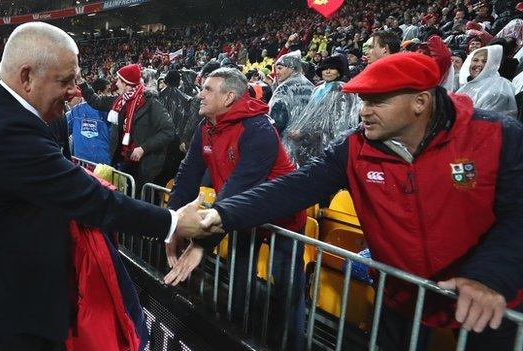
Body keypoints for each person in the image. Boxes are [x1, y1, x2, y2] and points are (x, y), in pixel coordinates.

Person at [178, 53, 523, 350]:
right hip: (400, 299)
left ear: (420, 102)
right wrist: (220, 215)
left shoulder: (496, 136)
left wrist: (489, 277)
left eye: (377, 101)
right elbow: (294, 187)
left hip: (488, 301)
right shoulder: (355, 147)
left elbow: (518, 215)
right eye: (363, 101)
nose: (364, 112)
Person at [0, 22, 202, 351]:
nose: (74, 91)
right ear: (27, 77)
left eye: (76, 80)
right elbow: (91, 199)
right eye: (65, 81)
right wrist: (174, 223)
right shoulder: (6, 129)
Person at [164, 67, 307, 350]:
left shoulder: (259, 130)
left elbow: (238, 187)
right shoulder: (205, 128)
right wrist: (171, 223)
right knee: (239, 285)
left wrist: (201, 244)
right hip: (243, 215)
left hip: (283, 222)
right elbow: (187, 176)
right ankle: (238, 341)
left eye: (207, 89)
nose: (200, 94)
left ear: (229, 97)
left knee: (287, 293)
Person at [78, 64, 174, 192]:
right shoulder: (120, 101)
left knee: (140, 202)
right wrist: (81, 83)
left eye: (119, 80)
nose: (116, 84)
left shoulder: (152, 104)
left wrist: (143, 148)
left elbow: (168, 132)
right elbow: (96, 101)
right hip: (123, 161)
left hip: (144, 166)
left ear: (127, 84)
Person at [283, 55, 361, 167]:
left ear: (339, 72)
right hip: (313, 139)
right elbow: (309, 114)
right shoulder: (318, 89)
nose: (328, 71)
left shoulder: (341, 89)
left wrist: (304, 132)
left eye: (332, 69)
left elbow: (332, 120)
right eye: (325, 69)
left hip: (328, 139)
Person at [457, 45, 517, 118]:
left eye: (485, 61)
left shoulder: (501, 87)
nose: (479, 64)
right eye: (475, 60)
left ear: (493, 64)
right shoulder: (470, 84)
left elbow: (488, 120)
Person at [156, 70, 194, 186]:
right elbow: (188, 123)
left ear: (166, 81)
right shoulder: (187, 99)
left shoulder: (156, 97)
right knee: (170, 175)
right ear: (178, 82)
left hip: (158, 141)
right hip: (176, 144)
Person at [66, 78, 112, 165]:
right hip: (103, 166)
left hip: (82, 164)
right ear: (99, 93)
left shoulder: (76, 111)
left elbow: (62, 133)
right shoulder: (75, 111)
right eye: (108, 91)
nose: (110, 95)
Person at [268, 50, 315, 135]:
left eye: (280, 68)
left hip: (287, 139)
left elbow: (277, 121)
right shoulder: (310, 85)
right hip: (306, 138)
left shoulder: (284, 88)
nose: (277, 73)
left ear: (291, 67)